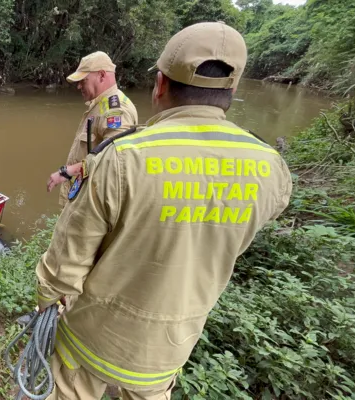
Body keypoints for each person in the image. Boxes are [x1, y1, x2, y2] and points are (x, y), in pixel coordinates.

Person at [37, 22, 294, 400]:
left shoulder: (123, 158)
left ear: (160, 85)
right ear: (233, 89)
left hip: (93, 337)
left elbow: (67, 261)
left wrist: (47, 301)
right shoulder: (271, 167)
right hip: (170, 347)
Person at [48, 51, 139, 206]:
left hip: (94, 203)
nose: (78, 86)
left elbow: (115, 162)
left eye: (83, 80)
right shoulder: (99, 105)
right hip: (84, 198)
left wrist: (67, 172)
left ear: (102, 75)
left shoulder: (115, 111)